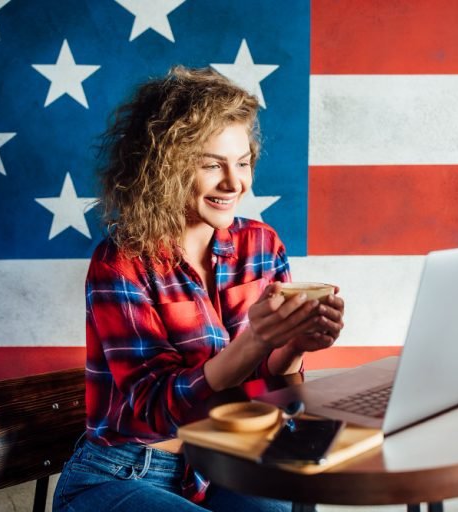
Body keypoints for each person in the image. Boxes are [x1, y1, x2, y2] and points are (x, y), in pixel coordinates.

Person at [52, 66, 345, 512]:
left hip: (221, 465)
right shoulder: (121, 261)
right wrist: (257, 339)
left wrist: (293, 345)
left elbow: (270, 393)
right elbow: (156, 409)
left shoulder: (261, 245)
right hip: (120, 473)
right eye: (211, 164)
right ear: (162, 168)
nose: (234, 183)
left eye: (242, 162)